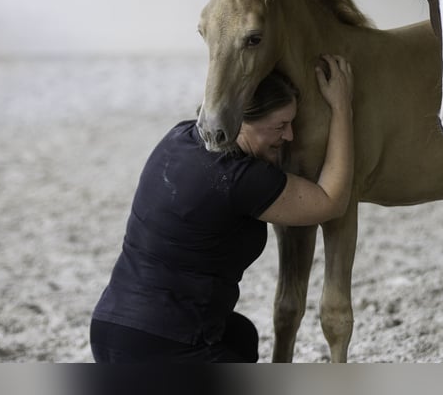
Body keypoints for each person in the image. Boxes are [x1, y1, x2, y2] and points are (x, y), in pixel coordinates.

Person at [90, 54, 354, 363]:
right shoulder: (241, 178)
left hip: (109, 327)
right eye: (280, 125)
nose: (289, 136)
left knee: (240, 336)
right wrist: (341, 108)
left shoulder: (179, 136)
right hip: (165, 345)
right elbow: (330, 201)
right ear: (239, 120)